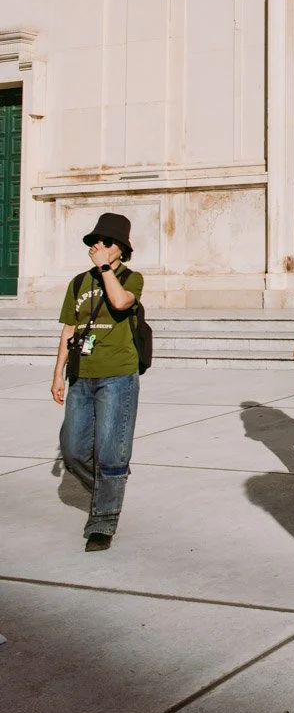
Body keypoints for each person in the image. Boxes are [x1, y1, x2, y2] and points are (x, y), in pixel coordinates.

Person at [51, 211, 144, 552]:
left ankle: (103, 521)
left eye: (106, 242)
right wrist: (57, 374)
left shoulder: (132, 278)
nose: (98, 247)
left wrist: (106, 270)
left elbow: (120, 302)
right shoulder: (78, 283)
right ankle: (111, 486)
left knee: (110, 452)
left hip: (118, 375)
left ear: (120, 249)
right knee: (73, 451)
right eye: (95, 242)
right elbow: (68, 329)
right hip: (81, 375)